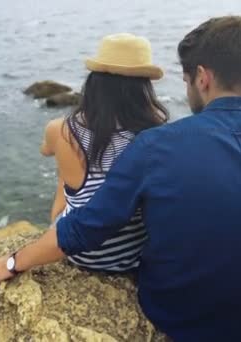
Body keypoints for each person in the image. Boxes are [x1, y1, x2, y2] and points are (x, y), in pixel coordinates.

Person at [0, 16, 241, 342]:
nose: (188, 86)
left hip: (183, 319)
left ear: (202, 78)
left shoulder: (158, 146)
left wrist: (12, 262)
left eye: (187, 79)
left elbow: (85, 228)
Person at [41, 33, 168, 272]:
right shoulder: (156, 132)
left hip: (80, 253)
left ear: (94, 83)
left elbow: (45, 150)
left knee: (65, 171)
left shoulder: (61, 128)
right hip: (134, 254)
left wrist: (60, 148)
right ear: (144, 89)